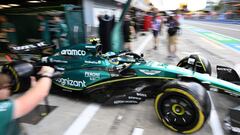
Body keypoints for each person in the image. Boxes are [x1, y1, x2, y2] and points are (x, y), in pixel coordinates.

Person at [0, 66, 54, 135]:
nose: (9, 89)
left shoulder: (3, 102)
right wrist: (47, 74)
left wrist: (33, 89)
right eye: (6, 87)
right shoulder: (3, 109)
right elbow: (26, 102)